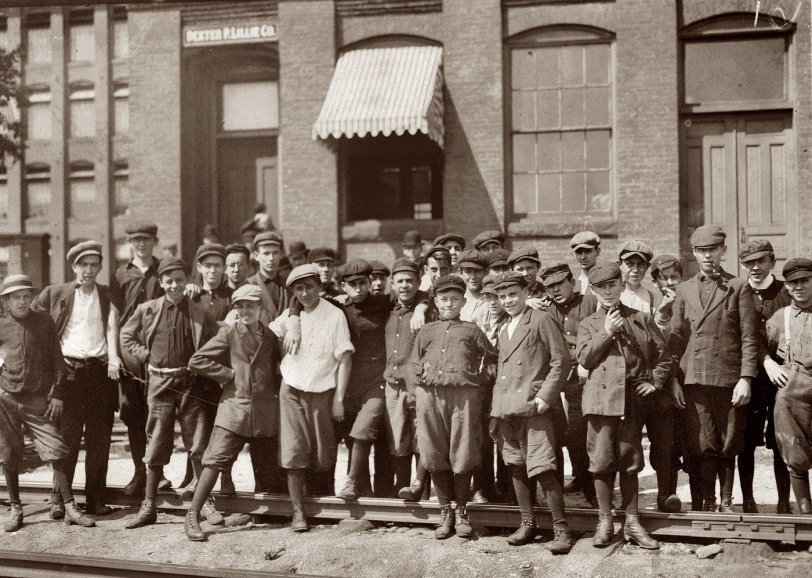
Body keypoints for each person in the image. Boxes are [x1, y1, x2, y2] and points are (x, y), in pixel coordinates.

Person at [576, 262, 671, 549]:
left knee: (630, 462)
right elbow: (584, 360)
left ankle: (632, 521)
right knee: (602, 461)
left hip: (631, 402)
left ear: (620, 284)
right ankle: (605, 520)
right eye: (600, 287)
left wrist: (654, 380)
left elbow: (664, 356)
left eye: (612, 284)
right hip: (600, 402)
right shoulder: (588, 324)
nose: (607, 291)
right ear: (593, 290)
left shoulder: (641, 319)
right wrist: (605, 331)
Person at [121, 257, 220, 529]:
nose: (174, 286)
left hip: (190, 384)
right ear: (161, 283)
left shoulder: (199, 312)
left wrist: (204, 363)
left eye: (179, 280)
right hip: (160, 383)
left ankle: (205, 502)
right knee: (156, 444)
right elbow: (126, 337)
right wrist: (145, 355)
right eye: (169, 281)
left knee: (199, 444)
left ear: (186, 281)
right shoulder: (148, 310)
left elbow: (217, 341)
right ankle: (149, 504)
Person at [665, 225, 757, 512]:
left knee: (728, 441)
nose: (707, 256)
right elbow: (675, 339)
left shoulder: (738, 286)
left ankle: (727, 500)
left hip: (728, 377)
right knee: (702, 442)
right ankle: (707, 500)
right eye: (701, 251)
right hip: (694, 378)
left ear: (723, 252)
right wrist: (673, 381)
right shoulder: (683, 290)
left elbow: (749, 337)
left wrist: (746, 378)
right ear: (694, 254)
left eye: (712, 250)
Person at [32, 240, 123, 519]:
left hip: (99, 375)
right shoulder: (56, 293)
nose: (88, 270)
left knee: (99, 441)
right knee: (66, 440)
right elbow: (33, 322)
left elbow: (112, 326)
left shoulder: (106, 295)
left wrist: (115, 357)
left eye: (94, 265)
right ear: (74, 266)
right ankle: (60, 499)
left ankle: (96, 500)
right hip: (68, 376)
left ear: (99, 268)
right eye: (83, 264)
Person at [184, 284, 281, 541]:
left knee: (268, 465)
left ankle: (268, 513)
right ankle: (193, 514)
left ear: (261, 308)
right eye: (241, 306)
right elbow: (197, 360)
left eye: (251, 305)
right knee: (214, 460)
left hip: (264, 412)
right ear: (235, 309)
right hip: (235, 408)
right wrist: (228, 376)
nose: (246, 311)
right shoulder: (229, 333)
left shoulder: (270, 337)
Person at [0, 275, 95, 530]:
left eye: (26, 296)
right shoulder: (1, 325)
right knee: (8, 455)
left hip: (37, 399)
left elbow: (57, 361)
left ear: (31, 298)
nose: (22, 301)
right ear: (6, 301)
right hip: (6, 400)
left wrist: (57, 394)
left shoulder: (43, 322)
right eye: (16, 297)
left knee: (56, 450)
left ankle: (70, 506)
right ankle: (16, 508)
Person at [408, 275, 497, 540]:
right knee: (434, 452)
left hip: (463, 397)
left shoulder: (472, 330)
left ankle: (461, 512)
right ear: (436, 301)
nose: (449, 304)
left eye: (455, 299)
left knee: (463, 451)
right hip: (431, 396)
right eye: (444, 299)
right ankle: (444, 512)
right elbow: (413, 362)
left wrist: (477, 384)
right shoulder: (426, 330)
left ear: (463, 301)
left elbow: (491, 360)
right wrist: (419, 392)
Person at [490, 271, 573, 553]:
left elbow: (561, 360)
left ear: (525, 293)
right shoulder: (503, 328)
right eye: (502, 297)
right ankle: (528, 523)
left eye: (513, 294)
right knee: (515, 466)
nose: (508, 300)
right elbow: (502, 371)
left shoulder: (540, 319)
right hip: (507, 409)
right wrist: (496, 410)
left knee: (543, 467)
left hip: (533, 407)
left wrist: (545, 397)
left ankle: (561, 529)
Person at [270, 264, 354, 532]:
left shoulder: (335, 315)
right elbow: (267, 335)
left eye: (309, 287)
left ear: (320, 286)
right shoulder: (289, 315)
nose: (305, 293)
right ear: (293, 292)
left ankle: (325, 507)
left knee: (323, 452)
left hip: (322, 392)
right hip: (291, 390)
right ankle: (298, 511)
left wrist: (339, 398)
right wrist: (292, 322)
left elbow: (345, 359)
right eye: (299, 289)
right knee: (294, 451)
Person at [112, 220, 169, 497]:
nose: (142, 244)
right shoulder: (120, 275)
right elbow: (113, 317)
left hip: (158, 356)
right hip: (130, 356)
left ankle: (159, 474)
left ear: (155, 242)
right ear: (130, 243)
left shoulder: (164, 271)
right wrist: (115, 355)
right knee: (134, 415)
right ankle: (139, 472)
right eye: (136, 240)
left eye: (146, 239)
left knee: (158, 414)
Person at [738, 240, 792, 513]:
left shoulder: (785, 292)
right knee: (745, 440)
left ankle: (784, 502)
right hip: (749, 378)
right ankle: (748, 500)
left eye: (760, 261)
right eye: (749, 263)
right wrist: (763, 362)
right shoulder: (738, 292)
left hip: (783, 380)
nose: (755, 267)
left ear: (772, 260)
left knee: (781, 439)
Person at [538, 262, 598, 507]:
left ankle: (593, 492)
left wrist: (588, 363)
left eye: (559, 285)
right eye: (549, 287)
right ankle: (575, 486)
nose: (554, 291)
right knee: (564, 437)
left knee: (585, 437)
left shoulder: (590, 303)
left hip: (585, 379)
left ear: (572, 283)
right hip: (558, 380)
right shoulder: (546, 310)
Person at [335, 261, 394, 500]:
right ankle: (364, 489)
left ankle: (351, 481)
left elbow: (420, 295)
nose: (358, 289)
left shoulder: (383, 303)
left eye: (363, 283)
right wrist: (295, 319)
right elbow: (301, 300)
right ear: (343, 286)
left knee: (363, 430)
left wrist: (421, 307)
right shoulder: (339, 307)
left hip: (377, 381)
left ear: (370, 283)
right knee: (353, 438)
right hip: (349, 381)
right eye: (352, 285)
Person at [650, 254, 700, 510]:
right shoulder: (654, 306)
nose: (670, 283)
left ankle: (700, 498)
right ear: (657, 282)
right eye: (664, 278)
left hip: (688, 378)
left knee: (692, 440)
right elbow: (658, 350)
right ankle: (666, 494)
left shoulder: (692, 299)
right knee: (664, 443)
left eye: (674, 277)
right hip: (665, 386)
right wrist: (670, 382)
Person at [764, 257, 812, 515]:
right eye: (793, 283)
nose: (799, 287)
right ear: (787, 287)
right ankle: (807, 518)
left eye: (805, 281)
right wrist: (768, 363)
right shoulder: (780, 317)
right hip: (791, 391)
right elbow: (757, 342)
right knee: (795, 456)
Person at [385, 259, 433, 501]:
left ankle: (421, 493)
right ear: (392, 284)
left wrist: (421, 306)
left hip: (417, 383)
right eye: (400, 281)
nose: (405, 286)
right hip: (393, 384)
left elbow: (429, 294)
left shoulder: (427, 308)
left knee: (420, 436)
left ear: (417, 283)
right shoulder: (388, 309)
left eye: (409, 281)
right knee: (398, 436)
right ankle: (402, 490)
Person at [458, 249, 496, 503]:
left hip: (487, 374)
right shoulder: (456, 298)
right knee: (463, 431)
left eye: (477, 272)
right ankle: (460, 487)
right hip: (461, 374)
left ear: (485, 273)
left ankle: (484, 486)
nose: (472, 276)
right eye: (467, 271)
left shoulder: (491, 299)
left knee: (484, 433)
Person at [248, 231, 287, 316]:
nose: (271, 258)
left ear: (281, 254)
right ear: (256, 256)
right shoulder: (248, 285)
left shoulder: (289, 285)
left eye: (275, 253)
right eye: (266, 253)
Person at [618, 240, 662, 315]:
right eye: (629, 264)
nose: (635, 270)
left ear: (647, 267)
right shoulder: (611, 296)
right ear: (620, 265)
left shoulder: (653, 298)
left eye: (641, 264)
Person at [570, 231, 601, 296]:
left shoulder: (605, 278)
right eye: (579, 252)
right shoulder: (571, 281)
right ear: (574, 254)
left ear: (597, 251)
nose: (583, 257)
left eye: (588, 251)